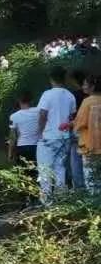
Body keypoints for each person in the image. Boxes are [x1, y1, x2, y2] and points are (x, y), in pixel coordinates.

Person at [36, 65, 78, 205]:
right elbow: (72, 117)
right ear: (64, 78)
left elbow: (42, 115)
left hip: (48, 137)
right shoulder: (70, 95)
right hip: (64, 137)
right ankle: (61, 200)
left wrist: (40, 133)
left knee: (44, 170)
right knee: (60, 169)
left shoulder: (47, 94)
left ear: (51, 78)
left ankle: (47, 202)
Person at [72, 74, 101, 196]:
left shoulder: (87, 101)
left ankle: (93, 204)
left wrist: (72, 124)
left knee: (91, 177)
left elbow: (80, 123)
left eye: (85, 84)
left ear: (93, 86)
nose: (83, 87)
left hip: (90, 145)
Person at [7, 91, 40, 184]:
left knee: (24, 174)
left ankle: (27, 196)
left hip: (22, 148)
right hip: (38, 147)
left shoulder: (14, 116)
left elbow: (12, 137)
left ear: (18, 101)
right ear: (31, 100)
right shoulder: (38, 111)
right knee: (38, 172)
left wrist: (10, 153)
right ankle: (40, 195)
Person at [69, 70, 87, 189]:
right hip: (92, 129)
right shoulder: (91, 95)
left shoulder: (73, 95)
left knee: (76, 160)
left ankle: (79, 188)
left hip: (77, 128)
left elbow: (71, 114)